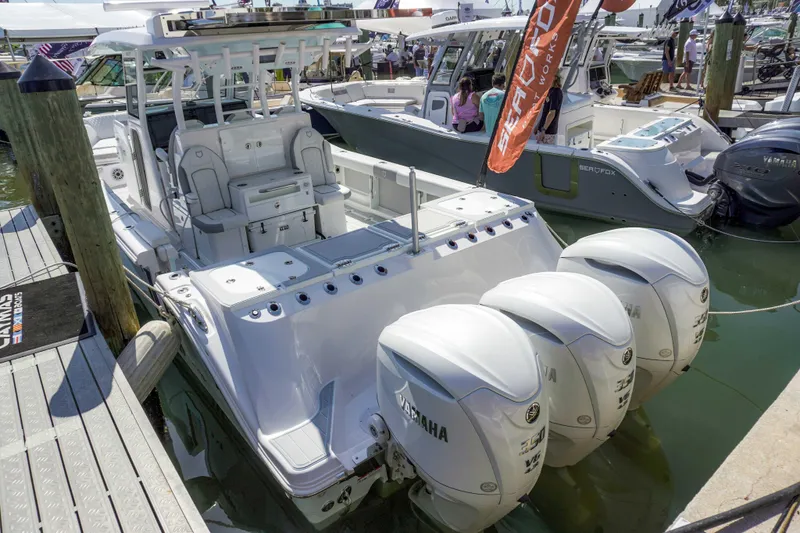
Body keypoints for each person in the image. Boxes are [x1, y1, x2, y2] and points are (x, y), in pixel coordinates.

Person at [534, 73, 563, 145]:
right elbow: (545, 112)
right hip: (543, 130)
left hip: (548, 132)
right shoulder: (550, 91)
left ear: (555, 78)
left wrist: (543, 130)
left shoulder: (556, 93)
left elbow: (552, 113)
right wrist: (538, 125)